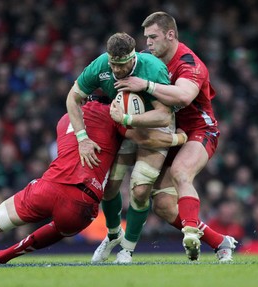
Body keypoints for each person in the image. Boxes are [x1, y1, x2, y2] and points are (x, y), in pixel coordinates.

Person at [0, 98, 187, 266]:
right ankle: (3, 256)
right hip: (85, 201)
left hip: (50, 186)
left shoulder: (64, 120)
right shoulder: (115, 120)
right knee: (60, 228)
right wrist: (176, 137)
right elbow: (141, 137)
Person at [110, 11, 237, 261]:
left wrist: (145, 86)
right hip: (169, 132)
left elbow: (184, 96)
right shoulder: (147, 60)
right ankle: (220, 242)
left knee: (181, 173)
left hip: (200, 130)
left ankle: (190, 233)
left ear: (170, 35)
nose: (148, 43)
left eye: (153, 37)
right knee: (164, 206)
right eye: (146, 37)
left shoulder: (189, 63)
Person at [66, 32, 177, 263]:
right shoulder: (100, 65)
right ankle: (114, 234)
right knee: (108, 187)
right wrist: (82, 137)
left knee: (139, 188)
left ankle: (127, 249)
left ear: (133, 56)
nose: (116, 70)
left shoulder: (152, 68)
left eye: (122, 64)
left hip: (153, 125)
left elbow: (164, 116)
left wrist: (127, 119)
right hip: (124, 122)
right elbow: (72, 98)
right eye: (113, 64)